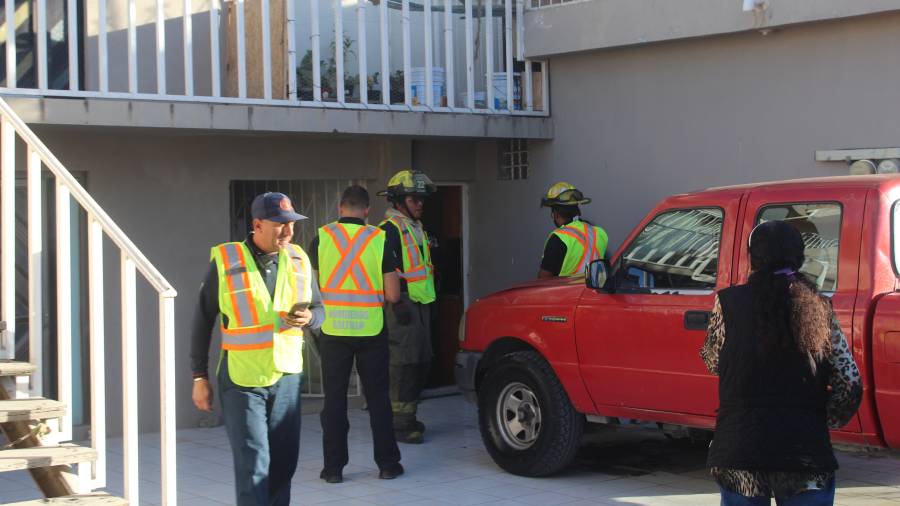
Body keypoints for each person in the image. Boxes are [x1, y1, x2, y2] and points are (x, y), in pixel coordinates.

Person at [700, 220, 863, 506]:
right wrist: (825, 418)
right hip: (803, 450)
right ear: (799, 258)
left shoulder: (727, 303)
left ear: (753, 258)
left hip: (740, 448)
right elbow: (849, 381)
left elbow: (714, 361)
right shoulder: (819, 306)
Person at [190, 191, 323, 506]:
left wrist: (311, 318)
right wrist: (199, 376)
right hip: (242, 380)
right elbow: (202, 319)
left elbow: (319, 309)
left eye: (292, 223)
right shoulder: (227, 261)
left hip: (287, 377)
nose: (288, 231)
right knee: (254, 464)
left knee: (284, 464)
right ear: (258, 224)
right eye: (280, 224)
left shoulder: (299, 258)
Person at [308, 185, 404, 483]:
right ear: (367, 211)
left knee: (334, 400)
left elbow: (313, 289)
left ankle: (333, 469)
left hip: (333, 330)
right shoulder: (379, 238)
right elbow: (393, 294)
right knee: (378, 399)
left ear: (340, 208)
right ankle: (387, 465)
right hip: (370, 330)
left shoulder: (321, 238)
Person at [377, 169, 437, 444]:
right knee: (403, 365)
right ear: (399, 201)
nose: (420, 204)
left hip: (419, 304)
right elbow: (384, 272)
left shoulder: (414, 227)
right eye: (414, 199)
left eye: (421, 199)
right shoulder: (388, 230)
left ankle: (407, 417)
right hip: (401, 305)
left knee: (419, 362)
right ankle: (400, 425)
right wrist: (397, 300)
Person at [537, 181, 609, 278]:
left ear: (556, 214)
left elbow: (543, 279)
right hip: (593, 287)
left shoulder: (559, 238)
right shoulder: (599, 233)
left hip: (567, 288)